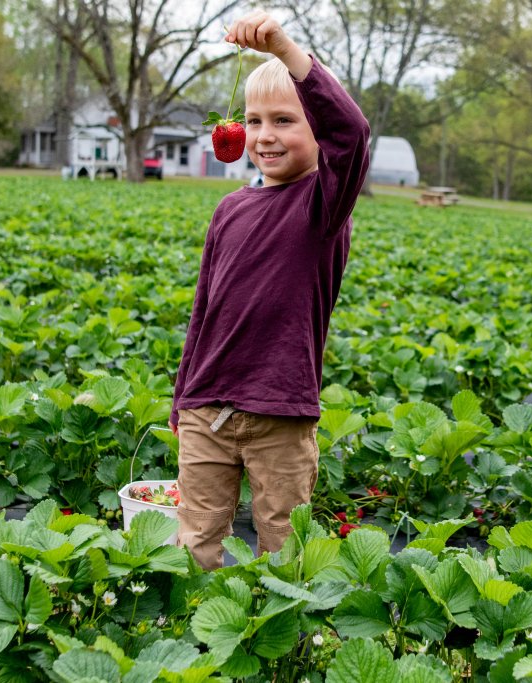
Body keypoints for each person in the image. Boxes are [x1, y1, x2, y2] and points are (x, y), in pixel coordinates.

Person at [167, 11, 370, 571]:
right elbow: (203, 312)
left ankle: (282, 647)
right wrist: (184, 396)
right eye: (254, 121)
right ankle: (198, 641)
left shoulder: (323, 207)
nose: (264, 136)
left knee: (284, 549)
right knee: (196, 543)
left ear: (316, 135)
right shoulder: (229, 208)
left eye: (285, 120)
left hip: (281, 411)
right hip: (208, 407)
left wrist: (285, 50)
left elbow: (352, 135)